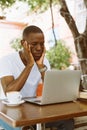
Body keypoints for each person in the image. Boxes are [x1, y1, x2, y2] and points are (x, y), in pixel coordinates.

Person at [0, 25, 74, 130]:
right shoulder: (6, 61)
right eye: (34, 44)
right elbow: (9, 91)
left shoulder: (44, 61)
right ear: (23, 43)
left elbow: (52, 91)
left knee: (67, 121)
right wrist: (30, 65)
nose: (39, 48)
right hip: (7, 112)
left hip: (32, 109)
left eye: (42, 44)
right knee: (27, 128)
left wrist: (40, 66)